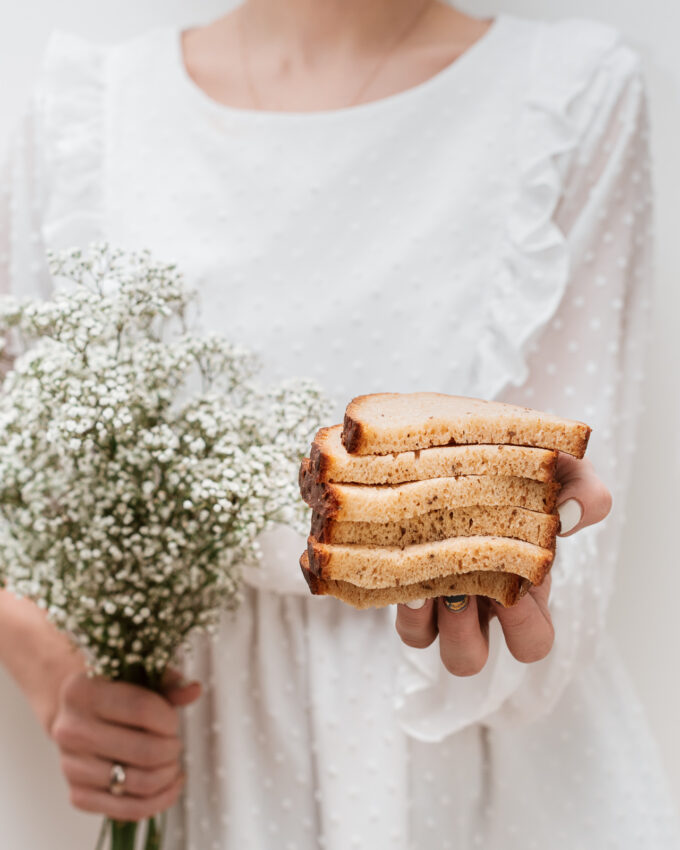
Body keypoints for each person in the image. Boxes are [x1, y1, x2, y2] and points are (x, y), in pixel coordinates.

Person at [1, 1, 678, 847]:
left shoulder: (569, 95)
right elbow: (25, 499)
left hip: (477, 780)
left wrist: (527, 570)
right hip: (201, 757)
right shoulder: (83, 111)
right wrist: (57, 674)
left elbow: (559, 560)